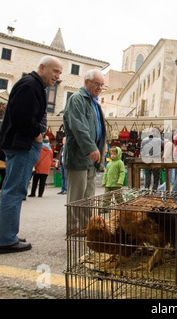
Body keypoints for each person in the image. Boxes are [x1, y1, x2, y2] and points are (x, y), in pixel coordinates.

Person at [0, 56, 63, 254]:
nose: (57, 77)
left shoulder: (33, 85)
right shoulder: (30, 85)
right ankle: (5, 239)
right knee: (14, 192)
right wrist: (37, 135)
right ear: (41, 67)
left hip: (23, 144)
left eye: (59, 73)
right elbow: (22, 116)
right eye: (55, 71)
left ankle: (8, 235)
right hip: (23, 145)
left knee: (14, 191)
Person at [63, 69, 107, 236]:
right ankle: (72, 227)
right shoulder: (77, 99)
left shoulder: (94, 102)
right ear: (86, 82)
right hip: (79, 156)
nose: (99, 88)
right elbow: (78, 127)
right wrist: (90, 148)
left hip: (91, 158)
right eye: (97, 84)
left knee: (88, 195)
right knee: (77, 194)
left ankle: (87, 226)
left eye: (102, 85)